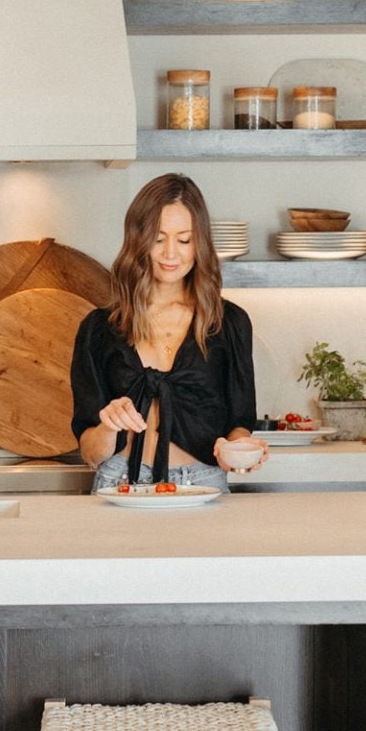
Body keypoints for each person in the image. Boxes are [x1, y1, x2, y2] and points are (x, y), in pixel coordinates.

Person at [70, 173, 267, 492]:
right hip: (118, 483)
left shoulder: (229, 322)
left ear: (200, 243)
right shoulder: (98, 329)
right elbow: (90, 454)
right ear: (138, 239)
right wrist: (108, 426)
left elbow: (239, 424)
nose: (170, 253)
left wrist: (239, 450)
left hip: (202, 484)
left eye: (184, 240)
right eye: (158, 238)